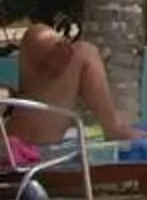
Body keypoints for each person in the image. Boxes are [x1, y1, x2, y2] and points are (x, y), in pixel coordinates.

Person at [4, 21, 129, 158]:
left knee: (38, 35)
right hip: (19, 142)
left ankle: (114, 128)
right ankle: (114, 129)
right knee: (84, 52)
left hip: (18, 130)